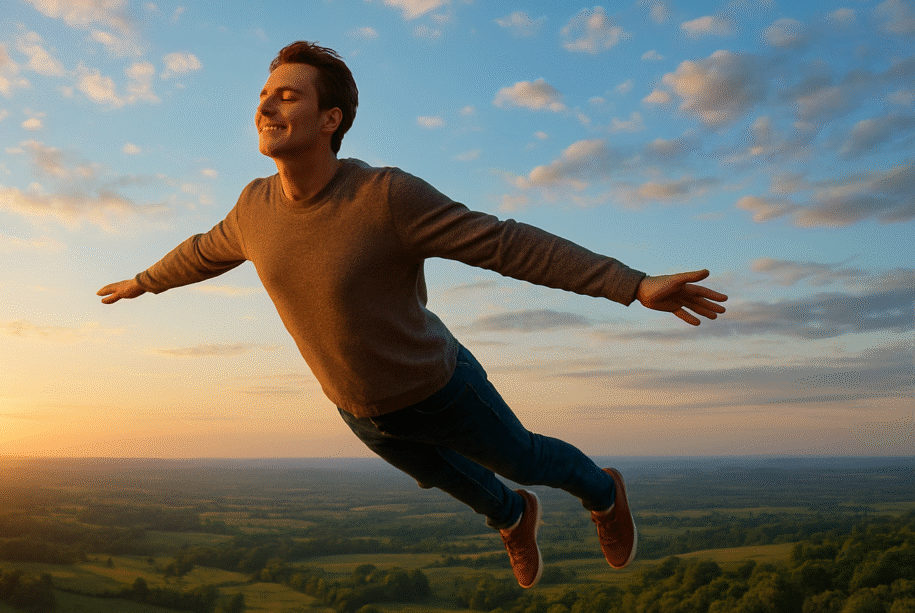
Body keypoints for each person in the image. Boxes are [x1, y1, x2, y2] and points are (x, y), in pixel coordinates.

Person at [98, 41, 728, 588]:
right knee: (447, 478)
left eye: (288, 97)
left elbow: (505, 244)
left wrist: (631, 283)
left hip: (439, 387)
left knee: (525, 460)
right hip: (357, 407)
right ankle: (514, 517)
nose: (265, 107)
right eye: (264, 96)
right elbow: (203, 251)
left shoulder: (385, 197)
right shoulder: (253, 208)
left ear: (330, 120)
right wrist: (143, 282)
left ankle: (604, 493)